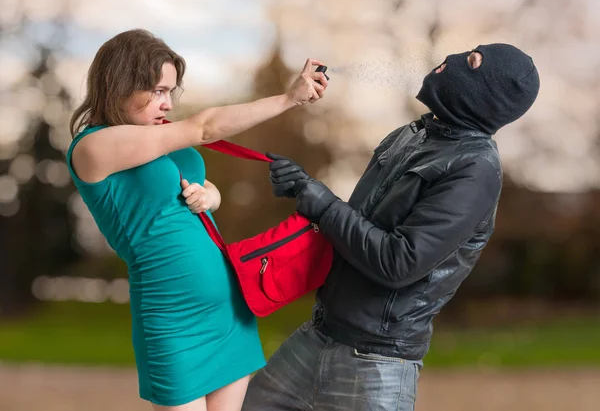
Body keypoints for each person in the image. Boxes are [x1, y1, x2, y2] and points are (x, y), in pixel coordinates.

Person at [237, 43, 540, 411]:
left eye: (472, 62)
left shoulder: (475, 168)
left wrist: (321, 202)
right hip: (317, 336)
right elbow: (356, 224)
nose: (455, 59)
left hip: (375, 365)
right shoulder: (408, 136)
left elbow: (399, 262)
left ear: (488, 94)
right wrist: (304, 187)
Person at [66, 28, 329, 411]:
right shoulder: (94, 146)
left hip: (229, 313)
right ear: (119, 83)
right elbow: (203, 128)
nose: (168, 104)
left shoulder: (159, 137)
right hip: (173, 319)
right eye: (157, 90)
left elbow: (201, 186)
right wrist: (288, 99)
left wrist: (212, 195)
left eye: (171, 91)